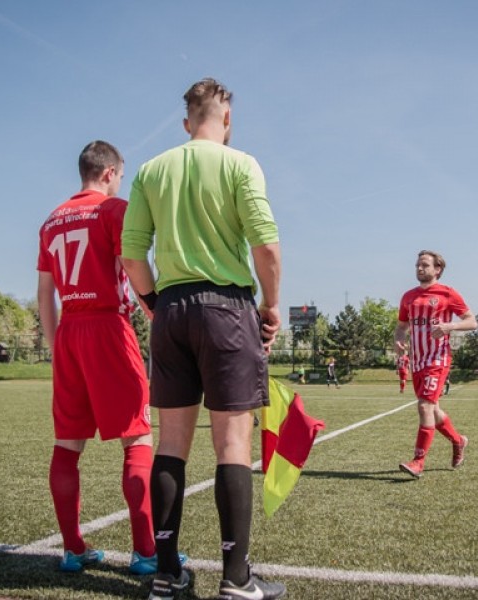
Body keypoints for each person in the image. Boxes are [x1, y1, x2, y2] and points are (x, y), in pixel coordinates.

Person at [120, 78, 285, 600]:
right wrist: (271, 306)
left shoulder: (151, 170)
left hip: (170, 311)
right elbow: (267, 251)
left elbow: (131, 258)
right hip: (227, 310)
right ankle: (236, 579)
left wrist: (154, 305)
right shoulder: (241, 164)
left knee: (170, 445)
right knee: (232, 443)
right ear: (227, 120)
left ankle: (167, 575)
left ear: (188, 122)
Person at [37, 141, 180, 576]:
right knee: (137, 438)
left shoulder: (50, 220)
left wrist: (55, 344)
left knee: (67, 445)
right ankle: (145, 552)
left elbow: (45, 294)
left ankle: (73, 548)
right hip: (107, 328)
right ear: (109, 172)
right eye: (120, 175)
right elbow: (132, 266)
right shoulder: (113, 210)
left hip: (69, 335)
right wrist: (158, 314)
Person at [394, 250, 477, 479]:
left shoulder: (447, 293)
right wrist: (398, 339)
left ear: (437, 269)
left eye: (424, 265)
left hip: (438, 359)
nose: (419, 269)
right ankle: (459, 441)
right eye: (417, 265)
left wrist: (449, 327)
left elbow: (472, 322)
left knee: (424, 407)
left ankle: (418, 462)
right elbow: (401, 326)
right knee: (434, 410)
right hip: (417, 362)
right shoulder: (408, 297)